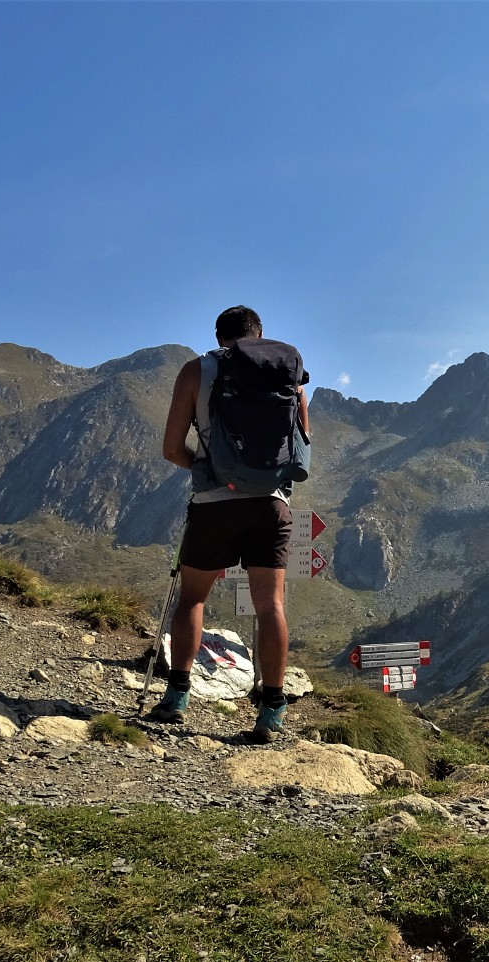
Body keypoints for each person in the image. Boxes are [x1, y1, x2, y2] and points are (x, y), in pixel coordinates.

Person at [153, 305, 310, 743]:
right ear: (260, 335)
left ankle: (177, 696)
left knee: (192, 598)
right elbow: (302, 446)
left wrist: (208, 471)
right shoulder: (288, 373)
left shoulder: (196, 371)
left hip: (213, 504)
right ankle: (272, 708)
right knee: (271, 605)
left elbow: (171, 448)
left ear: (219, 335)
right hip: (271, 505)